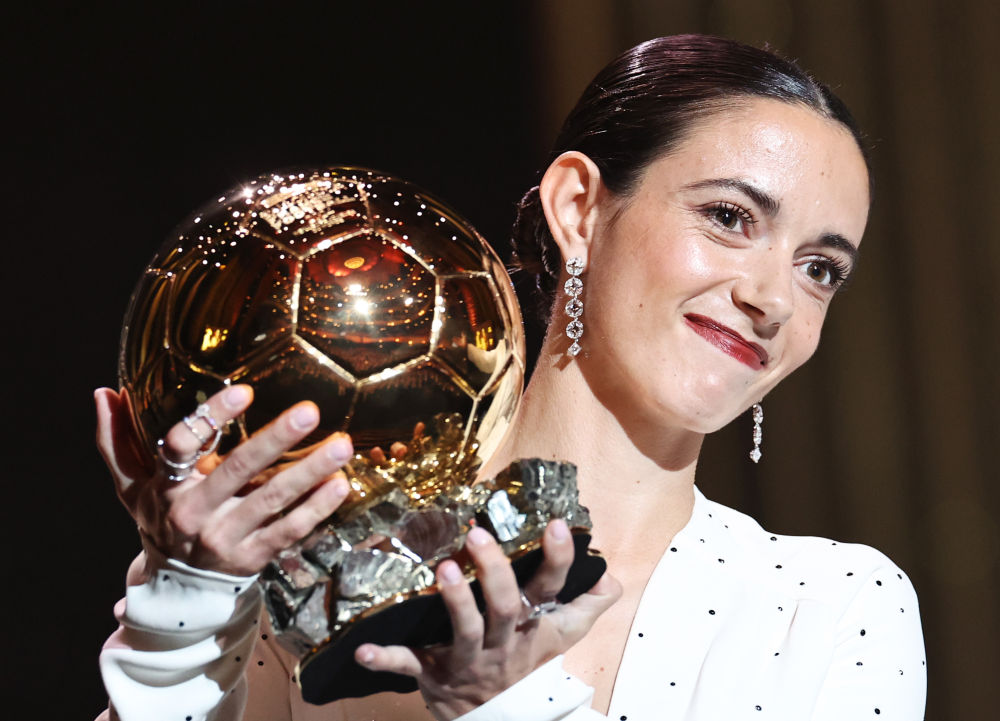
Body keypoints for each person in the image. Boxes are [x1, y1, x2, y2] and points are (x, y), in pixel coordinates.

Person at [94, 34, 926, 721]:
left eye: (820, 268)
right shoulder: (334, 556)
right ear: (578, 208)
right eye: (729, 217)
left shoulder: (832, 605)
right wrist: (185, 599)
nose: (772, 297)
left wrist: (505, 703)